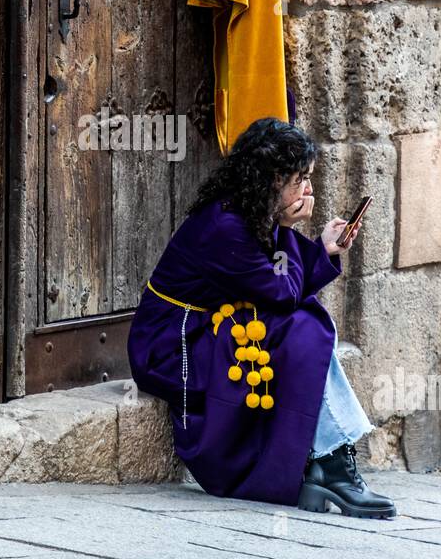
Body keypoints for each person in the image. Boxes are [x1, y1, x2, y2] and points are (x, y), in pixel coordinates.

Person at [126, 117, 396, 518]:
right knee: (301, 326)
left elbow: (277, 278)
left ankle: (329, 461)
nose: (308, 190)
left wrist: (322, 248)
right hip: (171, 344)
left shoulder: (248, 213)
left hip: (207, 325)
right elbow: (283, 292)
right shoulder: (225, 226)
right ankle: (334, 464)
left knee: (302, 326)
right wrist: (290, 228)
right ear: (270, 180)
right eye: (299, 179)